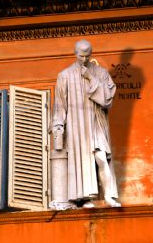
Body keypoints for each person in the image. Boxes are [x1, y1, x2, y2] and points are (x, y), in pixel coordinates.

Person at [52, 39, 120, 208]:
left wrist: (90, 78)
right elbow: (60, 105)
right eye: (81, 56)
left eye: (87, 56)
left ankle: (110, 195)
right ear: (75, 54)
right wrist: (58, 124)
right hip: (77, 126)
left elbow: (107, 99)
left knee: (101, 158)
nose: (84, 59)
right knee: (82, 162)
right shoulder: (65, 75)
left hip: (96, 123)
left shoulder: (101, 73)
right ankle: (86, 198)